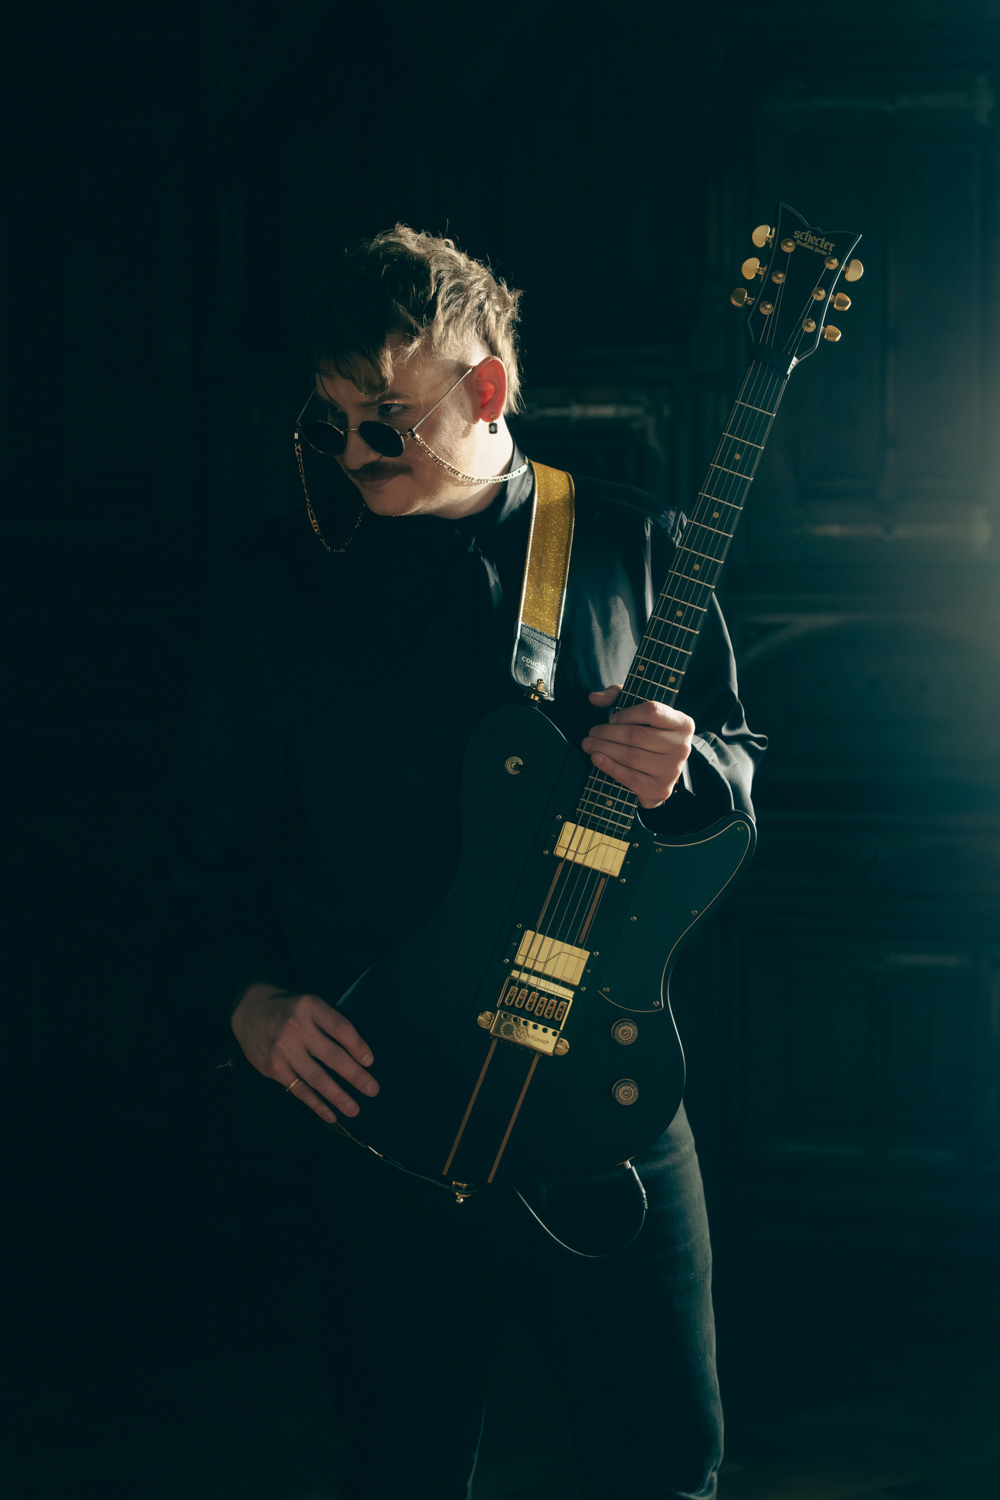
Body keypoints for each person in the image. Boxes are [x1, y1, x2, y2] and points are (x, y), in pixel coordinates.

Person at [159, 225, 766, 1499]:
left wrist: (689, 770)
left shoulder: (631, 543)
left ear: (486, 387)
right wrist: (247, 1005)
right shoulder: (274, 584)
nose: (351, 455)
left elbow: (733, 768)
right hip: (377, 1115)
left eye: (384, 422)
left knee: (664, 1467)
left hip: (605, 1098)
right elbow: (199, 851)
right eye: (328, 424)